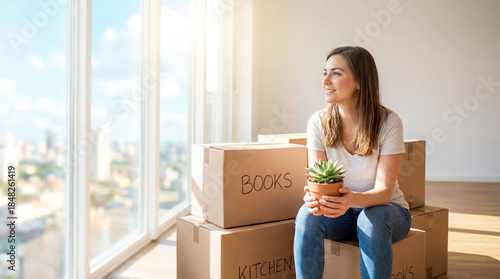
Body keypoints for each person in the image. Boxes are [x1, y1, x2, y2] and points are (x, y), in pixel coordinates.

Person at [293, 46, 411, 279]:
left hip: (388, 213)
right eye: (325, 73)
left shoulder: (389, 122)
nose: (326, 80)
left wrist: (352, 200)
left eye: (336, 73)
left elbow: (384, 193)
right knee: (306, 214)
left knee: (371, 218)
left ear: (359, 81)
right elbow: (318, 179)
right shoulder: (318, 122)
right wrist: (313, 197)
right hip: (342, 214)